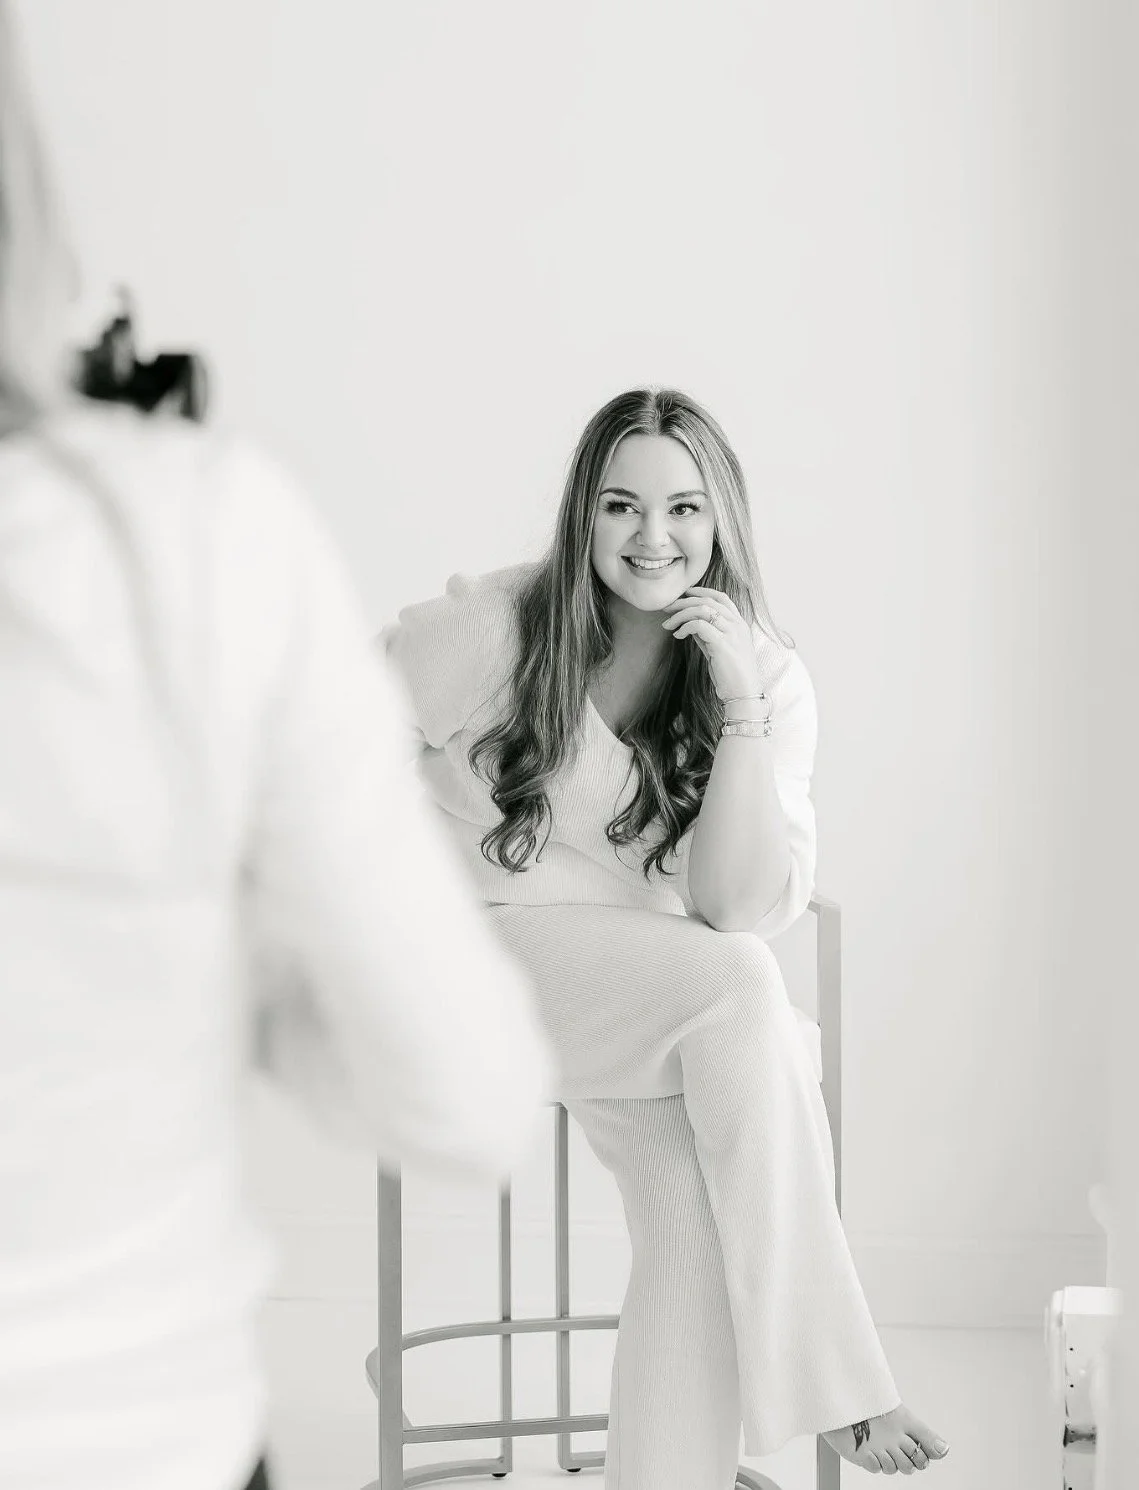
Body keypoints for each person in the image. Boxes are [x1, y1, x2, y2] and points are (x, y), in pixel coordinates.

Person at [0, 9, 553, 1490]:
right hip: (130, 1433)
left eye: (683, 507)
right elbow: (471, 1092)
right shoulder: (205, 538)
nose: (650, 535)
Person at [379, 386, 953, 1486]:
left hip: (653, 1000)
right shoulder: (497, 628)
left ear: (722, 518)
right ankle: (843, 1383)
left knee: (694, 1204)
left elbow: (737, 903)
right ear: (581, 515)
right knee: (745, 993)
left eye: (684, 507)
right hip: (488, 965)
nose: (652, 537)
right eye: (621, 505)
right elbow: (329, 724)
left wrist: (738, 709)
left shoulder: (770, 676)